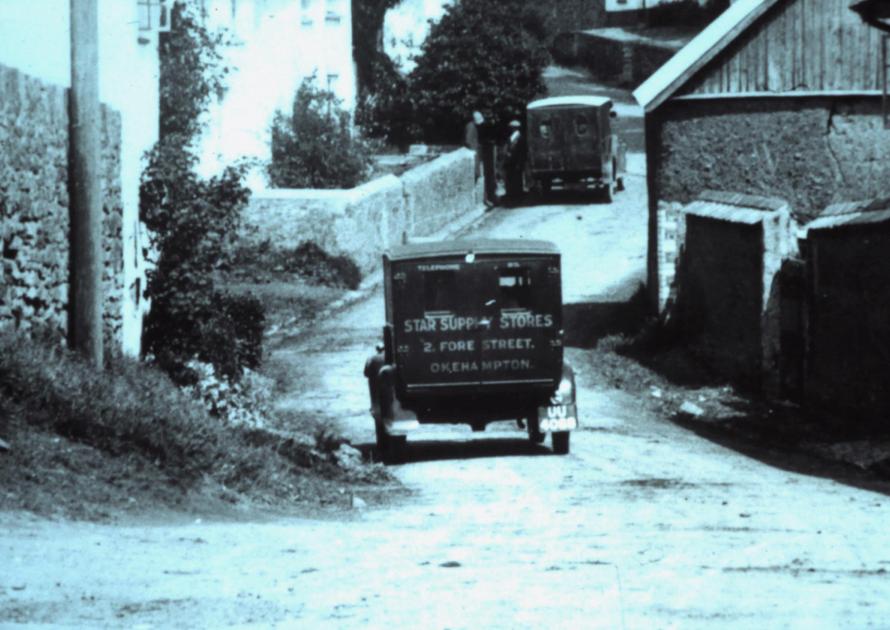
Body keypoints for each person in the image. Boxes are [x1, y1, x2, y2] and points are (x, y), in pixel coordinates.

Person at [465, 110, 497, 207]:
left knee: (482, 175)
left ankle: (487, 198)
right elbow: (469, 141)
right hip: (475, 155)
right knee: (479, 175)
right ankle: (485, 199)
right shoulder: (471, 127)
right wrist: (475, 149)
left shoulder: (473, 126)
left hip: (478, 154)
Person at [502, 119, 525, 206]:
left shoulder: (520, 138)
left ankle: (517, 196)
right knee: (510, 178)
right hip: (510, 162)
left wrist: (520, 162)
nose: (510, 129)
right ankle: (512, 195)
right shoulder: (511, 137)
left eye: (512, 128)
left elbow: (521, 152)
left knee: (517, 179)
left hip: (516, 162)